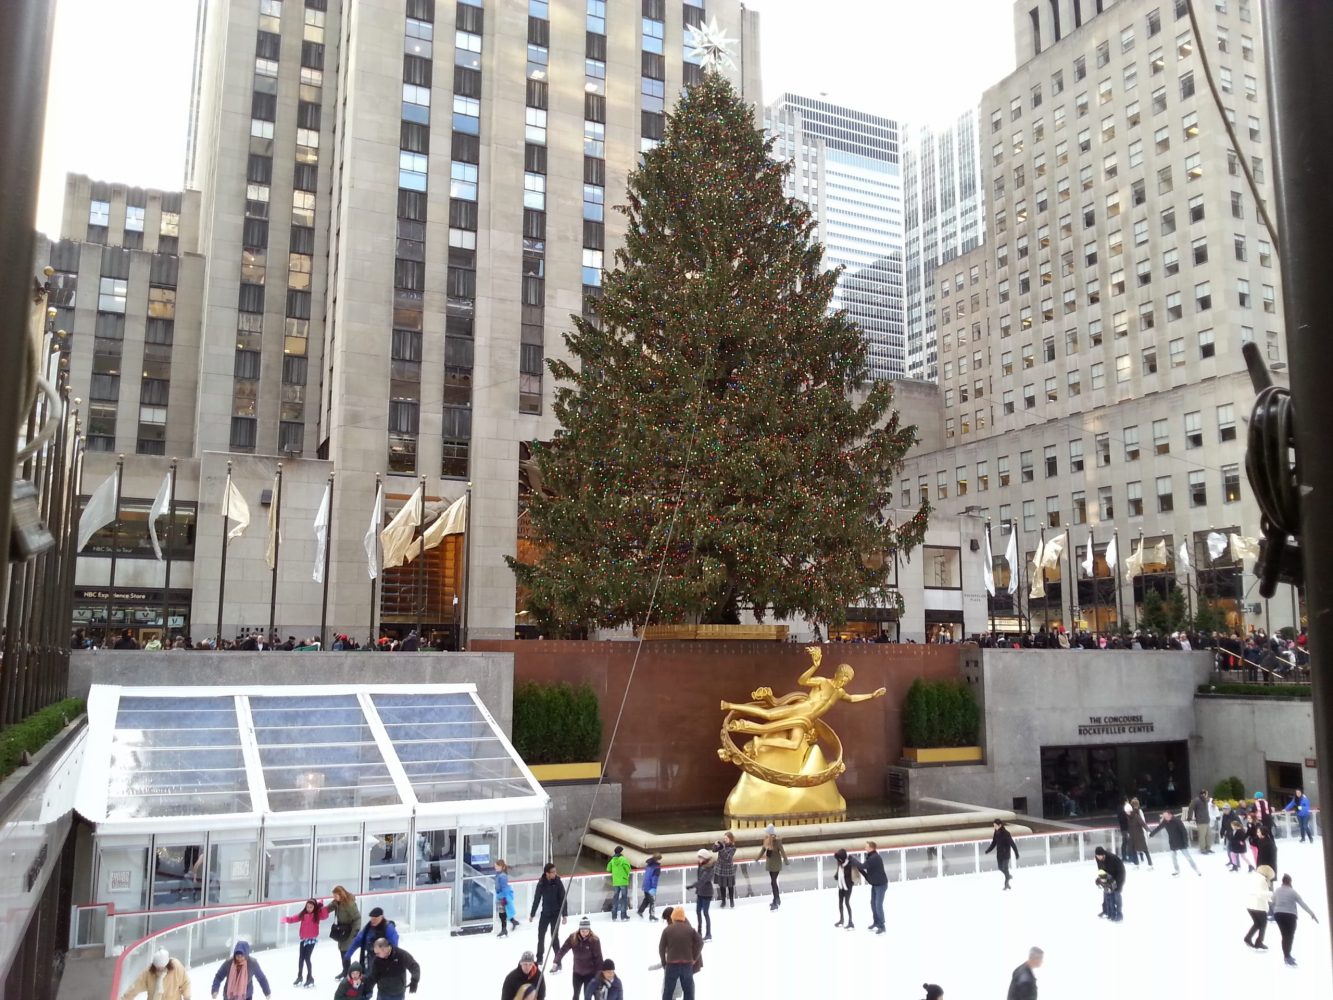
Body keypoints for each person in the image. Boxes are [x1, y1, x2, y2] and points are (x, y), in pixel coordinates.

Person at [1271, 873, 1320, 966]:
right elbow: (1302, 904)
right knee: (1289, 936)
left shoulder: (1277, 890)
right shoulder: (1293, 892)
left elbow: (1272, 902)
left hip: (1279, 915)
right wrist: (1312, 914)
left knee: (1285, 936)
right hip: (1290, 916)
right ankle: (1287, 957)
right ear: (1289, 881)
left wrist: (1274, 912)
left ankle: (1287, 956)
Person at [281, 897, 329, 987]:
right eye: (307, 907)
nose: (309, 908)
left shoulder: (317, 915)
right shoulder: (303, 914)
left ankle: (310, 977)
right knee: (301, 959)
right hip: (303, 939)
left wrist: (321, 906)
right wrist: (286, 919)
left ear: (314, 907)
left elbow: (325, 916)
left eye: (311, 907)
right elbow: (293, 918)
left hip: (311, 940)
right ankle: (299, 977)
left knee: (307, 958)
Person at [552, 916, 603, 1000]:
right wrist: (556, 961)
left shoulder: (594, 940)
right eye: (582, 930)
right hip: (577, 973)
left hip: (589, 974)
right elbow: (563, 949)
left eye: (587, 931)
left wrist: (599, 975)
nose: (584, 933)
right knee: (576, 995)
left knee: (587, 995)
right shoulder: (573, 938)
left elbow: (599, 959)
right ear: (579, 929)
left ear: (589, 930)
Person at [658, 907, 703, 1000]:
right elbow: (700, 942)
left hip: (673, 965)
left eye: (666, 919)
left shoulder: (668, 929)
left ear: (671, 917)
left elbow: (661, 948)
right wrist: (693, 958)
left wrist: (664, 963)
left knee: (668, 991)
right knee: (689, 991)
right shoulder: (689, 927)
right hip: (687, 964)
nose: (666, 922)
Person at [529, 862, 569, 962]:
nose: (555, 873)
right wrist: (532, 914)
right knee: (541, 936)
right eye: (553, 872)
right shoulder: (541, 883)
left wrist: (564, 915)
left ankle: (557, 960)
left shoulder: (558, 882)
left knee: (554, 937)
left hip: (556, 914)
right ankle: (539, 959)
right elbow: (537, 899)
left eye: (555, 871)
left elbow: (563, 898)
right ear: (547, 873)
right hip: (545, 914)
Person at [120, 947, 191, 1000]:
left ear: (167, 964)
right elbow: (135, 987)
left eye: (162, 967)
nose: (160, 969)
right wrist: (125, 998)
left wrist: (187, 997)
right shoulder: (148, 973)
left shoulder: (176, 967)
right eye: (157, 967)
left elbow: (186, 982)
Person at [849, 840, 887, 933]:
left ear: (871, 848)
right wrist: (857, 867)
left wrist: (853, 860)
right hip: (875, 884)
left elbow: (863, 866)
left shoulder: (874, 858)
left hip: (881, 885)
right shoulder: (871, 857)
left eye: (866, 846)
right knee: (873, 904)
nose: (864, 847)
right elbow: (863, 869)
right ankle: (876, 922)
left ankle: (882, 926)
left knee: (878, 905)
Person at [1148, 810, 1200, 876]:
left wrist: (1185, 842)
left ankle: (1196, 869)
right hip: (1173, 842)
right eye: (1164, 816)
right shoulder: (1165, 822)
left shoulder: (1177, 821)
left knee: (1188, 857)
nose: (1165, 818)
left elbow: (1184, 832)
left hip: (1181, 842)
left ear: (1170, 815)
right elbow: (1158, 828)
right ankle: (1177, 870)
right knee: (1173, 857)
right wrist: (1151, 835)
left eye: (1166, 816)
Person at [328, 886, 361, 980]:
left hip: (349, 930)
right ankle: (345, 971)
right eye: (333, 895)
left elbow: (357, 918)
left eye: (335, 895)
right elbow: (329, 908)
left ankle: (348, 972)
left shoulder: (349, 904)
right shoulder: (337, 902)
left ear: (341, 894)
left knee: (345, 952)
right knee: (342, 951)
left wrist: (355, 931)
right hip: (341, 930)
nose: (334, 897)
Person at [1243, 864, 1276, 950]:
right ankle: (1259, 942)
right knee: (1263, 925)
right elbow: (1261, 893)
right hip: (1258, 906)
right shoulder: (1262, 880)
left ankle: (1248, 938)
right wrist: (1272, 894)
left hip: (1250, 905)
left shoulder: (1254, 877)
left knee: (1257, 924)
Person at [686, 848, 715, 939]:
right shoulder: (701, 865)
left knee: (705, 913)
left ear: (704, 858)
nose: (698, 859)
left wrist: (691, 886)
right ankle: (699, 932)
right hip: (700, 892)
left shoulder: (709, 868)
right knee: (698, 911)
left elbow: (702, 881)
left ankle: (708, 934)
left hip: (707, 893)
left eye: (700, 857)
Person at [756, 823, 788, 909]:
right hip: (770, 864)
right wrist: (757, 859)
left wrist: (786, 861)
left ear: (770, 833)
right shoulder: (766, 840)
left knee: (773, 881)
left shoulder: (777, 842)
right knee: (773, 881)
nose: (766, 834)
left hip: (776, 864)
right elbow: (762, 850)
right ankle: (776, 899)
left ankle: (777, 899)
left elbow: (782, 851)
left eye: (767, 833)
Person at [985, 819, 1020, 890]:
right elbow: (994, 843)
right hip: (999, 854)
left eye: (995, 826)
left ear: (1000, 825)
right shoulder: (996, 832)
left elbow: (1012, 844)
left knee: (1005, 868)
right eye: (993, 826)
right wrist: (988, 850)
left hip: (1006, 854)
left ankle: (1006, 884)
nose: (994, 827)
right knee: (1000, 868)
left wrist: (1016, 853)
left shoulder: (1006, 833)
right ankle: (1008, 876)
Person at [1093, 846, 1125, 922]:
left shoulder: (1111, 859)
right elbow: (1101, 869)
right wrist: (1100, 879)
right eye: (1097, 856)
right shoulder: (1098, 858)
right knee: (1106, 894)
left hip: (1119, 875)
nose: (1098, 858)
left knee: (1116, 895)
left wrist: (1118, 885)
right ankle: (1106, 911)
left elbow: (1118, 872)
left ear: (1103, 854)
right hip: (1108, 876)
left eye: (1100, 856)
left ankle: (1119, 915)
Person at [710, 832, 737, 908]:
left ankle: (732, 901)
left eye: (726, 838)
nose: (725, 840)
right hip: (720, 868)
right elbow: (714, 850)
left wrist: (722, 848)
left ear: (730, 839)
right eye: (724, 838)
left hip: (728, 869)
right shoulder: (722, 844)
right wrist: (715, 845)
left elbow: (728, 858)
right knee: (722, 886)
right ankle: (723, 901)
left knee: (730, 886)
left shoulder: (733, 848)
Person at [832, 848, 856, 928]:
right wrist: (836, 875)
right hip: (841, 885)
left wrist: (841, 875)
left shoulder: (850, 862)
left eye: (840, 859)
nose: (838, 861)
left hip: (848, 885)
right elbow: (839, 870)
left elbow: (850, 874)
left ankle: (850, 922)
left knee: (847, 902)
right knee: (840, 902)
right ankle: (841, 920)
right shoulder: (839, 861)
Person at [495, 859, 520, 937]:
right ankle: (511, 923)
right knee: (502, 913)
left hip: (502, 896)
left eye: (496, 866)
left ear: (501, 867)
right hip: (500, 895)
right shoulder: (498, 874)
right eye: (495, 866)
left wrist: (505, 898)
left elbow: (504, 887)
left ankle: (504, 929)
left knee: (503, 913)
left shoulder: (502, 876)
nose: (495, 867)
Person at [1126, 797, 1152, 868]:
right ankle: (1137, 863)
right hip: (1133, 835)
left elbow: (1143, 823)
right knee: (1134, 849)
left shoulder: (1136, 815)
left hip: (1139, 834)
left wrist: (1148, 830)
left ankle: (1149, 863)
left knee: (1144, 849)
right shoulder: (1129, 817)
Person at [607, 846, 631, 921]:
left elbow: (608, 869)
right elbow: (628, 868)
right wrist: (626, 875)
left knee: (615, 899)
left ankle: (614, 916)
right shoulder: (623, 859)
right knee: (624, 899)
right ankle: (623, 916)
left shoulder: (612, 860)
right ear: (621, 852)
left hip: (616, 882)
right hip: (623, 881)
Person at [637, 854, 663, 920]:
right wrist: (654, 887)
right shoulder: (657, 867)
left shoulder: (648, 865)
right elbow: (654, 878)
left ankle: (640, 911)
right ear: (658, 859)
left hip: (645, 885)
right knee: (653, 901)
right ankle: (652, 916)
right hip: (651, 886)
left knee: (647, 899)